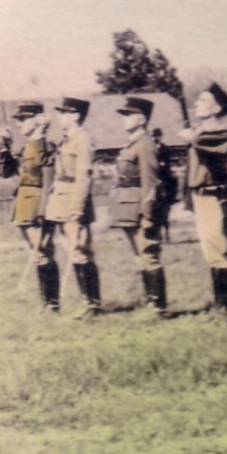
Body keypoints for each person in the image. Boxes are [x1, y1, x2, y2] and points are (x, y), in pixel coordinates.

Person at [188, 83, 227, 317]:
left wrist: (191, 135)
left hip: (214, 195)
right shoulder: (202, 131)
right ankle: (219, 306)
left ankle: (225, 309)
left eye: (202, 100)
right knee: (211, 252)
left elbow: (204, 141)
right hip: (202, 196)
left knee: (220, 251)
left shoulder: (222, 131)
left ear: (216, 107)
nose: (196, 105)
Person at [111, 97, 169, 315]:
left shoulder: (145, 145)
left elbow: (150, 182)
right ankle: (150, 302)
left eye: (129, 115)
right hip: (128, 207)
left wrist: (148, 214)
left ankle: (157, 307)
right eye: (124, 115)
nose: (124, 119)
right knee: (140, 256)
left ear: (142, 119)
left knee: (149, 254)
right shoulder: (132, 143)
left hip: (140, 208)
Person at [45, 97, 99, 318]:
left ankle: (92, 304)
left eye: (64, 113)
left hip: (74, 203)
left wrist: (77, 209)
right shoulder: (67, 140)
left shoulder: (82, 139)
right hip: (61, 200)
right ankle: (88, 302)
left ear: (76, 116)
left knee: (80, 251)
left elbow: (83, 177)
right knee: (72, 250)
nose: (59, 117)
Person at [11, 102, 60, 311]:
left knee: (43, 251)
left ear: (37, 119)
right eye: (19, 120)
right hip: (24, 201)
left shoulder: (44, 145)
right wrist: (4, 145)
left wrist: (44, 211)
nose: (19, 124)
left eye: (23, 119)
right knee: (37, 252)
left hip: (36, 204)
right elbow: (10, 170)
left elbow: (48, 178)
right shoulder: (25, 146)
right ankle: (46, 302)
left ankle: (52, 304)